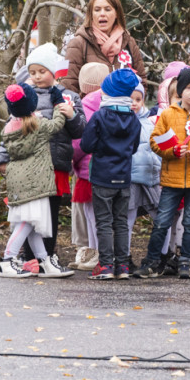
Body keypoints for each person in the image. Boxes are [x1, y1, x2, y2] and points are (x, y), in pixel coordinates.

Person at [0, 43, 86, 271]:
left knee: (50, 213)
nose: (36, 77)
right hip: (29, 167)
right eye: (32, 72)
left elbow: (81, 131)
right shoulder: (25, 96)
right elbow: (11, 129)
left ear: (54, 71)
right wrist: (2, 157)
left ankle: (48, 255)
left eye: (41, 71)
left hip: (56, 163)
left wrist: (72, 115)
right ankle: (30, 259)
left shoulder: (69, 97)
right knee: (29, 212)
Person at [134, 67, 190, 280]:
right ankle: (153, 262)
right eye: (189, 87)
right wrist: (172, 151)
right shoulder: (167, 115)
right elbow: (155, 142)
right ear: (180, 91)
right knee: (162, 221)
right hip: (171, 180)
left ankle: (186, 262)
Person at [0, 83, 75, 279]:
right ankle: (7, 260)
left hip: (17, 180)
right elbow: (57, 124)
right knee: (27, 224)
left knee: (32, 225)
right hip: (36, 180)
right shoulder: (39, 125)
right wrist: (58, 103)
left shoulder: (9, 128)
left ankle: (45, 262)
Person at [79, 69, 142, 280]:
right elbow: (132, 148)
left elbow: (87, 145)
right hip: (123, 177)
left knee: (104, 221)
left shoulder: (99, 116)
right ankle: (123, 266)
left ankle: (105, 265)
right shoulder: (134, 119)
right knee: (121, 222)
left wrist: (100, 147)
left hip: (102, 176)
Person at [60, 0, 145, 94]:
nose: (102, 14)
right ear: (91, 14)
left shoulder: (129, 42)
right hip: (90, 108)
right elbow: (68, 84)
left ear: (117, 13)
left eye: (108, 9)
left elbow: (141, 81)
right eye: (97, 10)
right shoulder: (78, 43)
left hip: (126, 108)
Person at [69, 62, 108, 271]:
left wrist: (72, 160)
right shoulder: (116, 103)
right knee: (107, 214)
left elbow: (78, 143)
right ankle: (104, 252)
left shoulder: (82, 107)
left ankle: (94, 251)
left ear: (83, 86)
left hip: (87, 170)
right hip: (111, 168)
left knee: (91, 215)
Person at [127, 81, 164, 257]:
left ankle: (161, 255)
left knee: (161, 217)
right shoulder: (120, 122)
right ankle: (124, 256)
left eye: (138, 99)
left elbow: (158, 149)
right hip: (130, 179)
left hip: (151, 178)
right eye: (130, 99)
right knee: (128, 219)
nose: (134, 103)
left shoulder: (151, 124)